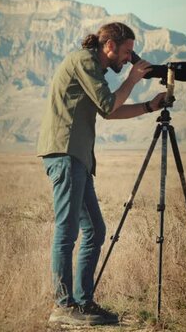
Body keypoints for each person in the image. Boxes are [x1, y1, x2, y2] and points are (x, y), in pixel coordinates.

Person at [37, 22, 165, 326]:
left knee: (94, 229)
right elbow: (109, 104)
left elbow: (109, 111)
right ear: (109, 46)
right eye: (127, 52)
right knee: (67, 233)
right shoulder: (84, 61)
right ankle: (63, 305)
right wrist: (133, 80)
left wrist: (149, 106)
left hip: (77, 158)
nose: (129, 59)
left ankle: (83, 304)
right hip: (66, 155)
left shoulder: (93, 67)